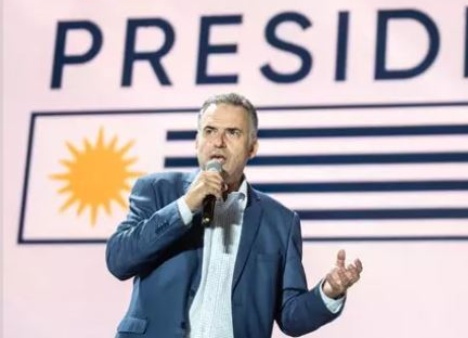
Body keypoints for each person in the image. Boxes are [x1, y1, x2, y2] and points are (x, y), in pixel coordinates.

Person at [106, 93, 363, 338]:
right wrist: (185, 206)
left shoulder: (280, 222)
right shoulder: (156, 190)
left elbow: (291, 317)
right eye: (209, 131)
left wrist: (328, 292)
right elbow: (119, 260)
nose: (218, 142)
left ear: (252, 147)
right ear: (196, 141)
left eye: (232, 132)